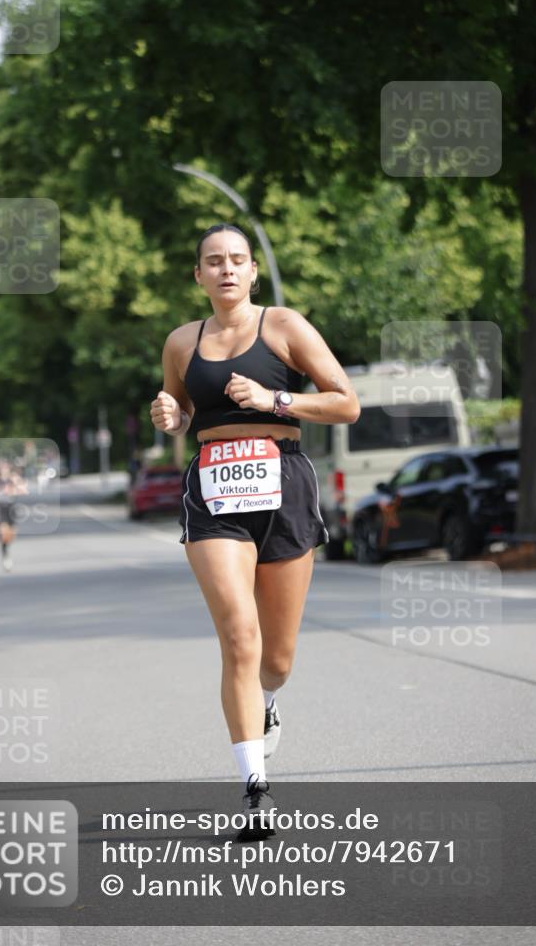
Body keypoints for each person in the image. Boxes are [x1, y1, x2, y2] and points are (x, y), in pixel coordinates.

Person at [150, 223, 360, 833]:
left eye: (237, 260)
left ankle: (268, 703)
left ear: (252, 271)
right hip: (214, 490)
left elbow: (345, 402)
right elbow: (182, 412)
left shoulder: (285, 326)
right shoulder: (181, 342)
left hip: (285, 483)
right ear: (198, 275)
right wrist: (170, 414)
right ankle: (254, 788)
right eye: (213, 261)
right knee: (239, 637)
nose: (226, 269)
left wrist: (274, 401)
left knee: (278, 657)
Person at [0, 459, 28, 571]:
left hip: (11, 508)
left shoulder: (13, 478)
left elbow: (24, 490)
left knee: (11, 535)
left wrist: (15, 488)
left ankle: (6, 547)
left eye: (5, 467)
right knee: (3, 534)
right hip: (0, 508)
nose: (4, 469)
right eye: (2, 467)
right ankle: (5, 556)